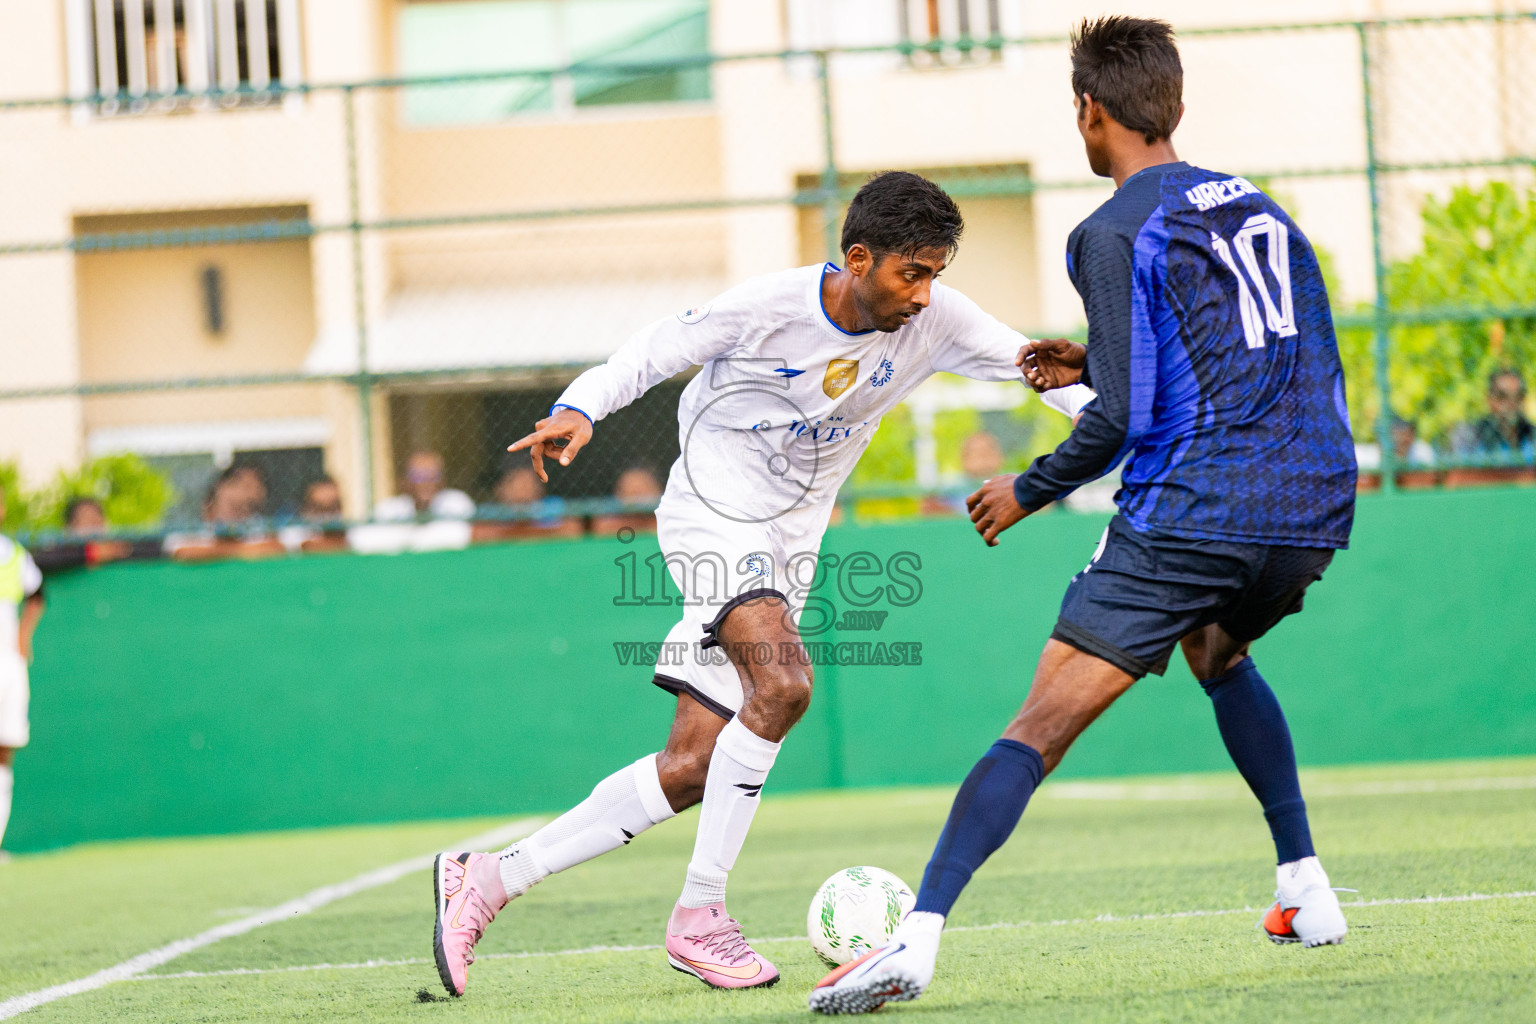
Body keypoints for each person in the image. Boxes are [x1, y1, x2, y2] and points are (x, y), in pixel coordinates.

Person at [430, 170, 1095, 998]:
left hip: (788, 552)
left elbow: (1045, 374)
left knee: (691, 765)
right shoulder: (768, 307)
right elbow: (651, 352)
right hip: (713, 520)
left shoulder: (936, 320)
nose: (925, 294)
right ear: (859, 259)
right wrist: (582, 406)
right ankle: (700, 916)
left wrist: (1124, 424)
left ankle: (489, 877)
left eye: (936, 274)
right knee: (783, 686)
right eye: (911, 273)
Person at [810, 19, 1358, 1014]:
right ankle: (1305, 885)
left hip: (1200, 507)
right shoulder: (1260, 208)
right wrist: (1095, 357)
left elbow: (1127, 420)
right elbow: (1242, 354)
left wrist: (1030, 487)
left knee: (1038, 726)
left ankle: (914, 939)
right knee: (1217, 650)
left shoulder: (1108, 231)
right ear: (1176, 104)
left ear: (1087, 111)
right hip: (1312, 500)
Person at [0, 482, 45, 860]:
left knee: (5, 749)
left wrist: (23, 635)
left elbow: (37, 596)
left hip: (10, 669)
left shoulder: (15, 555)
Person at [1451, 367, 1534, 463]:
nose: (1511, 403)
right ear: (1490, 399)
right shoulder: (1471, 438)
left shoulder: (1532, 435)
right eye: (1502, 397)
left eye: (1518, 397)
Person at [373, 451, 475, 521]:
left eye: (433, 476)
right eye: (418, 476)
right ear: (405, 481)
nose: (426, 483)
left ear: (442, 481)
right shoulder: (388, 509)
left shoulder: (457, 503)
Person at [591, 465, 664, 534]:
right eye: (632, 493)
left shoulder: (664, 523)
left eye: (641, 493)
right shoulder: (608, 525)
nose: (636, 500)